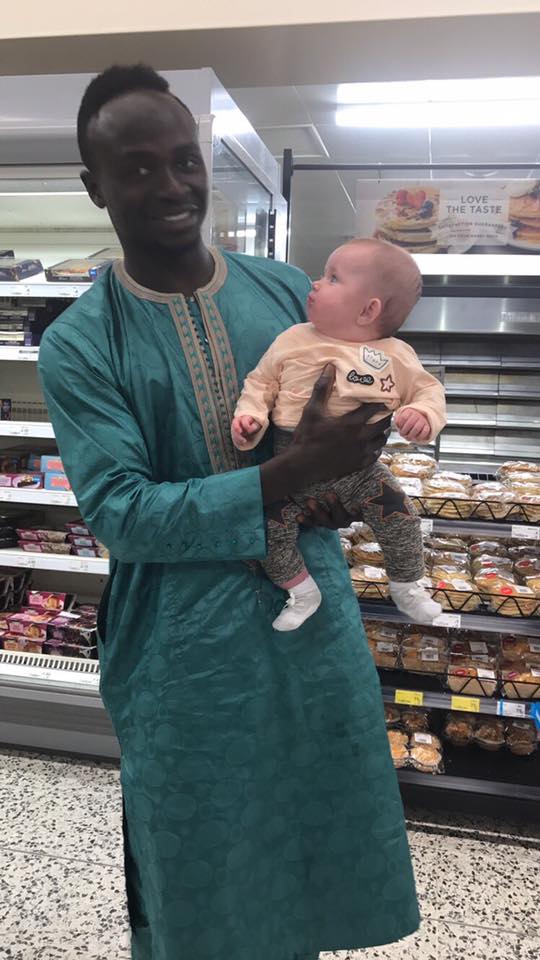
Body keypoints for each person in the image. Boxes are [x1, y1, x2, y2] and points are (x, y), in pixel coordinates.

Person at [38, 65, 420, 960]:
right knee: (201, 875)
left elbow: (362, 414)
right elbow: (124, 517)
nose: (171, 186)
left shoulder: (290, 293)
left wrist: (362, 446)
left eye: (183, 160)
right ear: (96, 187)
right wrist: (293, 475)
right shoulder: (81, 343)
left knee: (306, 856)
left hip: (310, 632)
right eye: (137, 169)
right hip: (182, 657)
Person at [232, 238, 446, 631]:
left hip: (362, 473)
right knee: (268, 532)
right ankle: (302, 592)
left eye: (332, 278)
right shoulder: (292, 339)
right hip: (285, 468)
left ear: (369, 310)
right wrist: (251, 417)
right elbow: (260, 383)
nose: (314, 284)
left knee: (399, 514)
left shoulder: (396, 354)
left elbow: (428, 391)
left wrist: (421, 415)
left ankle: (407, 585)